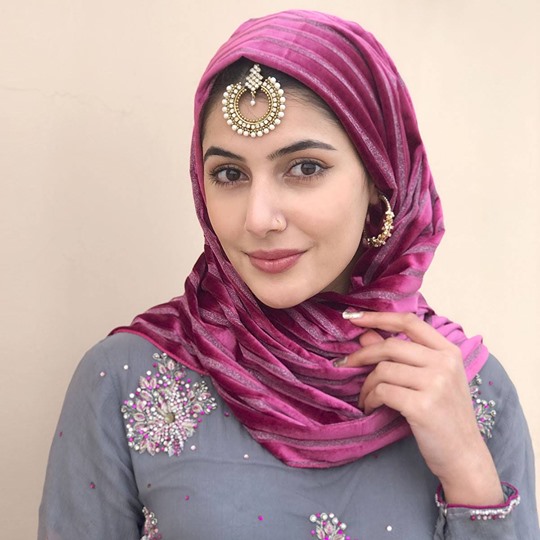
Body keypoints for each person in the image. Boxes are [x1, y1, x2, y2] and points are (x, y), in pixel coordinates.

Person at [38, 9, 539, 539]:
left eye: (304, 168)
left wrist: (468, 469)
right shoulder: (124, 379)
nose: (258, 219)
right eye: (229, 174)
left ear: (379, 178)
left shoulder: (469, 391)